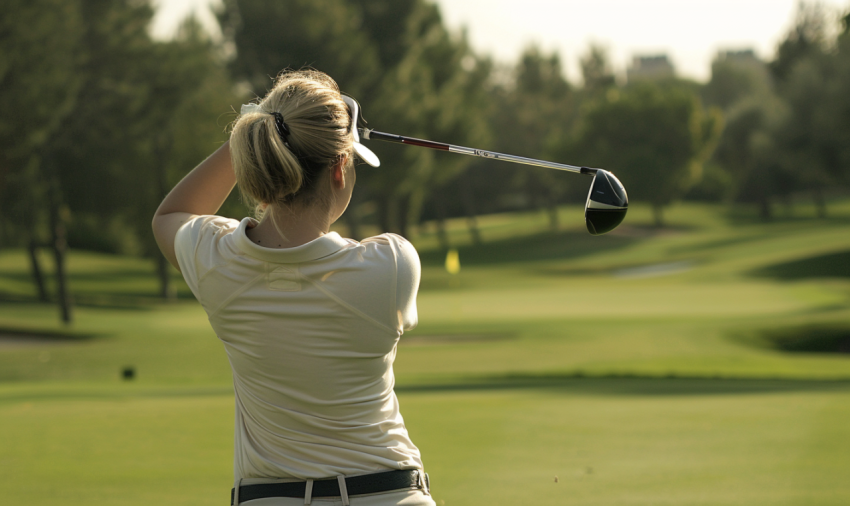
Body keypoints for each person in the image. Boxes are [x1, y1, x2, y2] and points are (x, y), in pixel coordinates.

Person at [152, 70, 434, 506]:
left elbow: (171, 216)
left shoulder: (215, 261)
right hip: (388, 494)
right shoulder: (391, 264)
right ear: (340, 169)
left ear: (256, 154)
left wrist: (256, 125)